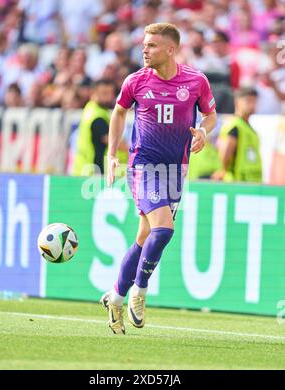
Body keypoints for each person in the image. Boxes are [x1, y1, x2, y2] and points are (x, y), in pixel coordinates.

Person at [100, 23, 217, 334]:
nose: (144, 50)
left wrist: (203, 131)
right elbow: (119, 112)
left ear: (170, 49)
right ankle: (139, 289)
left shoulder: (195, 80)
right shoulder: (136, 81)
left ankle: (116, 296)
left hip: (176, 170)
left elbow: (210, 114)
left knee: (144, 237)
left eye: (152, 45)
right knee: (164, 230)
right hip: (143, 168)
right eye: (144, 44)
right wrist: (113, 153)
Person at [73, 79, 128, 176]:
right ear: (94, 93)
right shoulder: (97, 118)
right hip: (92, 173)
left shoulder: (91, 108)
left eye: (110, 93)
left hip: (84, 169)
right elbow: (113, 142)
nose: (108, 97)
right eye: (104, 93)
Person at [213, 87, 262, 182]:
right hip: (237, 182)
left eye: (254, 101)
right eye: (248, 101)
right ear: (237, 102)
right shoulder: (234, 126)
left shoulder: (249, 128)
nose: (252, 105)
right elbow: (225, 152)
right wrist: (221, 171)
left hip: (252, 182)